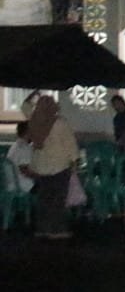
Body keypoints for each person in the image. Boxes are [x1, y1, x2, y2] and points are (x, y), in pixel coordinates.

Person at [21, 93, 79, 239]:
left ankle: (42, 228)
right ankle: (57, 230)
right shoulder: (60, 123)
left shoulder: (34, 120)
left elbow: (25, 107)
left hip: (40, 167)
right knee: (58, 200)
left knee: (44, 199)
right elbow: (70, 144)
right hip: (59, 166)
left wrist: (33, 94)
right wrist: (74, 162)